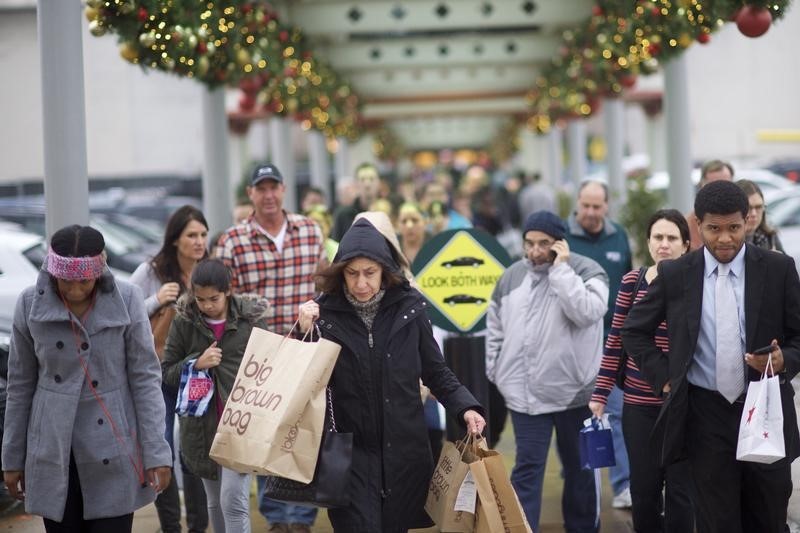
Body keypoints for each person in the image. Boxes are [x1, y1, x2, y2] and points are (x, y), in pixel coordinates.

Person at [622, 180, 800, 532]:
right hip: (704, 415)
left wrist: (786, 360)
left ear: (747, 221)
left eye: (734, 228)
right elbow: (634, 331)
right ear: (698, 226)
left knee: (768, 516)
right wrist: (666, 378)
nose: (724, 239)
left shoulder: (778, 269)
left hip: (764, 409)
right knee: (717, 521)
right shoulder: (677, 274)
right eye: (713, 229)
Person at [297, 218, 485, 533]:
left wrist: (466, 407)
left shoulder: (410, 309)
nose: (360, 284)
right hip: (347, 455)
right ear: (339, 272)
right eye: (352, 273)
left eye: (369, 273)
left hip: (404, 455)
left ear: (385, 270)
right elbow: (303, 382)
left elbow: (436, 371)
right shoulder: (323, 315)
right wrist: (306, 334)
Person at [2, 225, 172, 531]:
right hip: (54, 450)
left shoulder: (128, 299)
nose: (75, 289)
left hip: (114, 446)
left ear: (100, 270)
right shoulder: (30, 304)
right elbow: (20, 386)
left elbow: (145, 379)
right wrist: (12, 459)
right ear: (53, 272)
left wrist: (156, 451)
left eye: (84, 280)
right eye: (66, 280)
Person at [215, 162, 325, 533]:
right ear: (250, 194)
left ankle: (302, 517)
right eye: (260, 188)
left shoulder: (310, 231)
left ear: (283, 190)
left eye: (274, 187)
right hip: (258, 356)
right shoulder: (232, 240)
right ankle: (278, 517)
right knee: (264, 435)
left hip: (306, 348)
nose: (268, 195)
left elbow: (323, 283)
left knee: (303, 432)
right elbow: (225, 301)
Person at [487, 211, 608, 532]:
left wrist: (561, 271)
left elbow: (588, 313)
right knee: (526, 471)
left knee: (581, 470)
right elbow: (494, 326)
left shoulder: (587, 271)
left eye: (544, 244)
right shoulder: (511, 276)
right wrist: (496, 370)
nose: (535, 251)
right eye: (530, 243)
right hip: (525, 397)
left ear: (560, 243)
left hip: (576, 396)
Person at [589, 209, 695, 532]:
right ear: (648, 243)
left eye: (672, 238)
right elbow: (617, 339)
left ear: (686, 245)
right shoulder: (632, 282)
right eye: (658, 238)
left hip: (683, 407)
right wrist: (601, 393)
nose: (664, 244)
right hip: (639, 407)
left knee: (682, 495)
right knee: (644, 493)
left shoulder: (695, 283)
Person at [162, 258, 269, 533]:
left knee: (232, 500)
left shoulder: (250, 319)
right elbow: (166, 372)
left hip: (241, 423)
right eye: (200, 299)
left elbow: (270, 367)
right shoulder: (184, 321)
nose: (207, 305)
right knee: (214, 501)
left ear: (229, 290)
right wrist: (196, 363)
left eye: (214, 299)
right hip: (202, 427)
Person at [130, 205, 210, 533]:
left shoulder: (210, 271)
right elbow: (126, 310)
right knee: (162, 449)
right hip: (159, 373)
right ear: (175, 239)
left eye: (203, 234)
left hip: (197, 372)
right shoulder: (151, 272)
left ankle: (198, 526)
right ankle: (171, 527)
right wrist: (157, 299)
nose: (199, 241)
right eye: (192, 235)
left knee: (193, 451)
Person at [565, 180, 633, 509]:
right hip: (572, 345)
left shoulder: (618, 236)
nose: (590, 213)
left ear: (606, 206)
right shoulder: (562, 239)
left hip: (612, 342)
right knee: (576, 415)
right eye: (585, 206)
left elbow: (629, 283)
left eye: (597, 206)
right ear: (577, 204)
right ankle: (575, 478)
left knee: (617, 414)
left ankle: (622, 486)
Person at [687, 160, 735, 250]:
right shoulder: (688, 226)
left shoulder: (745, 219)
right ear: (702, 185)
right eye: (714, 186)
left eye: (725, 185)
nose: (720, 191)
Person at [331, 162, 381, 241]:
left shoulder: (386, 211)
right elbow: (336, 246)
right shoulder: (344, 215)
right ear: (355, 184)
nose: (367, 184)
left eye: (372, 179)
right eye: (362, 179)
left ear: (379, 182)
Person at [736, 179, 785, 252]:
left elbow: (787, 262)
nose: (754, 214)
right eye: (748, 208)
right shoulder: (727, 241)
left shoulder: (769, 237)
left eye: (758, 207)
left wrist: (778, 261)